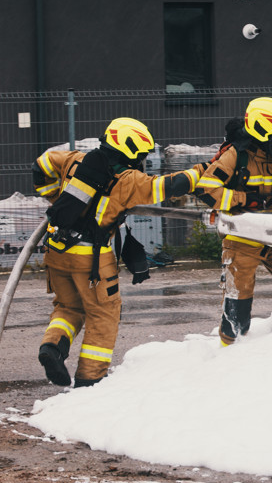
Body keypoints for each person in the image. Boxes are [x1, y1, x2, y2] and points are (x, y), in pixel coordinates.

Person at [33, 117, 204, 387]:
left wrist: (53, 196)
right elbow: (167, 186)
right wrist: (202, 171)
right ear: (131, 150)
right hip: (92, 260)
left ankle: (52, 348)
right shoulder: (128, 180)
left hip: (56, 250)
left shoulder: (75, 160)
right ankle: (90, 381)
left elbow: (42, 164)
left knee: (68, 307)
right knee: (103, 315)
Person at [193, 97, 272, 346]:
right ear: (262, 133)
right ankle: (230, 352)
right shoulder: (234, 156)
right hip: (242, 238)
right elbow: (207, 190)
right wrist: (244, 200)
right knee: (237, 305)